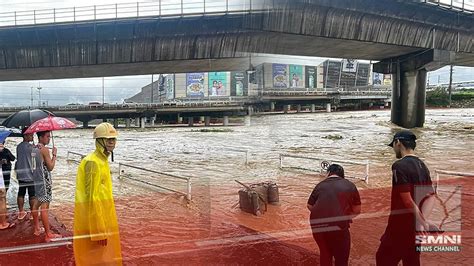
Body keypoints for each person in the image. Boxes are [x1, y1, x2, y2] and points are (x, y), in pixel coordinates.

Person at [376, 130, 435, 266]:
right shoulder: (422, 166)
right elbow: (431, 196)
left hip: (399, 227)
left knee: (383, 259)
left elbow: (407, 200)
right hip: (415, 229)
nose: (394, 150)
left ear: (398, 143)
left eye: (394, 145)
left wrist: (422, 222)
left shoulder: (399, 166)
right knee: (412, 261)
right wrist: (421, 222)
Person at [73, 123, 122, 266]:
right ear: (99, 141)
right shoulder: (92, 162)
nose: (112, 142)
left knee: (104, 256)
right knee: (93, 257)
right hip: (94, 221)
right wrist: (98, 230)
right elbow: (91, 198)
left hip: (104, 217)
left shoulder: (102, 160)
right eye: (108, 139)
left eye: (113, 139)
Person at [307, 164, 361, 266]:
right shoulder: (350, 185)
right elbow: (357, 210)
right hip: (338, 226)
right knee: (342, 257)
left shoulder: (320, 185)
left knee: (325, 253)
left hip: (317, 226)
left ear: (328, 173)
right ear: (342, 175)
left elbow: (309, 206)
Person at [31, 131, 61, 242]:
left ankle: (37, 228)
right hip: (44, 181)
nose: (48, 139)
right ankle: (48, 234)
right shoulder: (44, 149)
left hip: (37, 180)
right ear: (41, 137)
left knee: (36, 203)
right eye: (47, 136)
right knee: (45, 207)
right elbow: (50, 167)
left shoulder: (33, 148)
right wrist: (54, 155)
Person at [14, 128, 36, 221]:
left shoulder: (18, 146)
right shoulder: (31, 148)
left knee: (21, 193)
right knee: (32, 195)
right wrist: (35, 148)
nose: (32, 136)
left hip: (21, 174)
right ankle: (32, 213)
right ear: (25, 135)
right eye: (30, 135)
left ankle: (21, 212)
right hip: (30, 174)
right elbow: (35, 158)